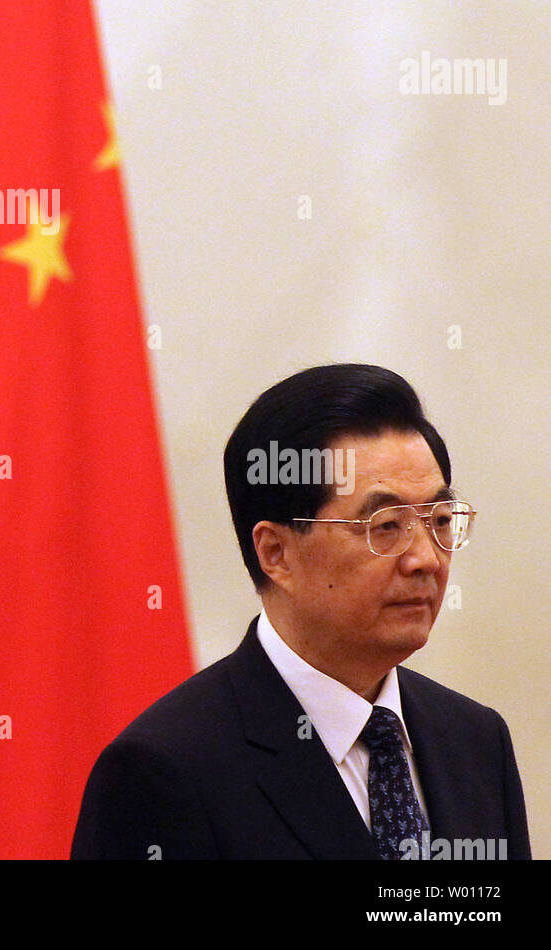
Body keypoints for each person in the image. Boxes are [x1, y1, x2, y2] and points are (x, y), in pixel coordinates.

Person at [71, 364, 530, 860]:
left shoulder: (475, 742)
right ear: (277, 553)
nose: (425, 559)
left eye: (439, 520)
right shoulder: (166, 770)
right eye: (385, 526)